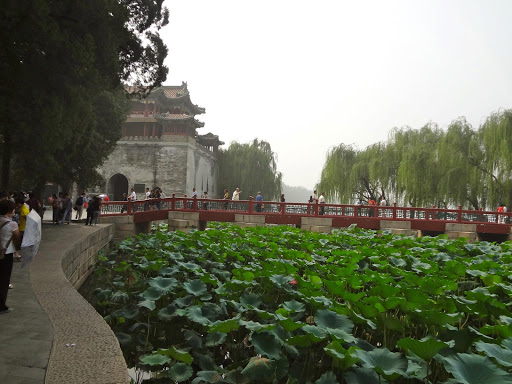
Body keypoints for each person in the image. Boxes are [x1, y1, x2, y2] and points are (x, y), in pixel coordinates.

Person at [0, 199, 22, 314]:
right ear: (10, 211)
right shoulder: (12, 224)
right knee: (4, 280)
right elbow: (17, 238)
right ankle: (1, 306)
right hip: (5, 254)